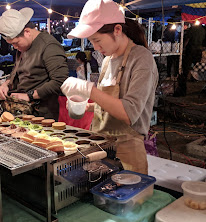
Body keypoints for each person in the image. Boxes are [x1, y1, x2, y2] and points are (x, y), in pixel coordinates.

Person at [61, 0, 158, 174]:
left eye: (97, 40)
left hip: (127, 153)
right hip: (100, 146)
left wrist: (89, 90)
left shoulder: (142, 59)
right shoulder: (107, 60)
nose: (96, 48)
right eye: (92, 42)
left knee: (126, 199)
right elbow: (108, 106)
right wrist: (86, 106)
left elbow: (129, 113)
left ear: (117, 30)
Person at [0, 8, 69, 120]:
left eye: (16, 43)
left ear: (27, 32)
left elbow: (60, 81)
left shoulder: (49, 46)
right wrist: (6, 84)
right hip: (20, 111)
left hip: (41, 115)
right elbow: (17, 73)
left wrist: (29, 96)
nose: (15, 47)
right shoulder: (23, 47)